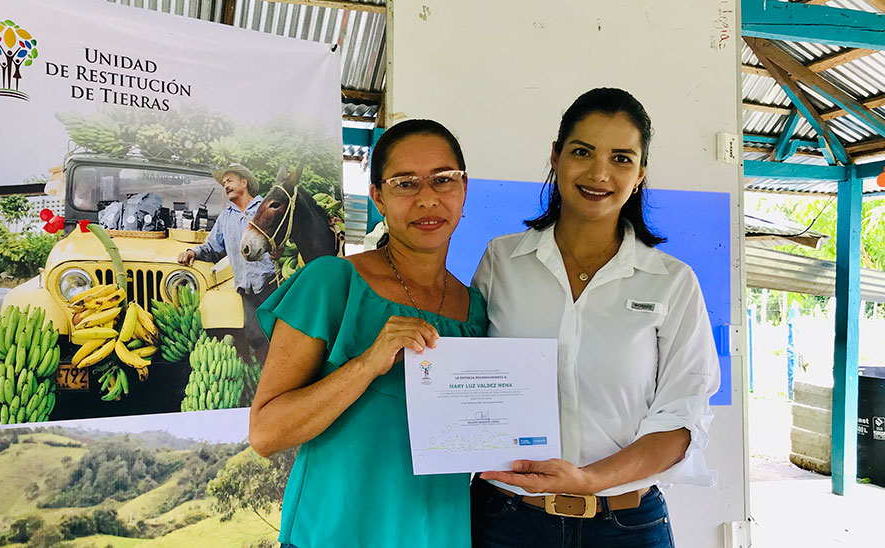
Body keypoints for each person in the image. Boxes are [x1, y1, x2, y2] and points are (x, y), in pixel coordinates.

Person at [471, 88, 721, 547]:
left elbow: (681, 422)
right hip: (507, 520)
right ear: (556, 156)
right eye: (582, 151)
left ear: (641, 173)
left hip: (626, 526)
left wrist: (589, 479)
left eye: (621, 158)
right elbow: (467, 374)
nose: (599, 173)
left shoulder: (671, 282)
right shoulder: (502, 261)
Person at [248, 119, 487, 548]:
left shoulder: (476, 310)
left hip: (438, 531)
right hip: (336, 531)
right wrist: (365, 365)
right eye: (405, 183)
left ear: (464, 188)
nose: (428, 198)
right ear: (378, 196)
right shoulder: (332, 283)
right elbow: (267, 433)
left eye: (443, 180)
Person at [177, 163, 276, 348]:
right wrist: (192, 252)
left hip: (271, 284)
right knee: (256, 339)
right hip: (246, 290)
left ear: (244, 182)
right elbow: (212, 247)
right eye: (224, 183)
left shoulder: (264, 209)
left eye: (230, 181)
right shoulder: (225, 217)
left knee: (278, 336)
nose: (226, 186)